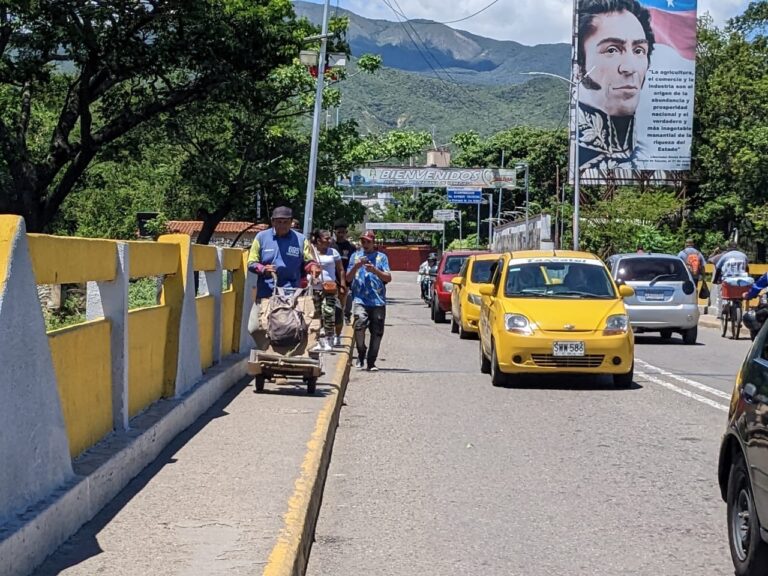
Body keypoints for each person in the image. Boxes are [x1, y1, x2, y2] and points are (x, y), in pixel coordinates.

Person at [576, 0, 655, 172]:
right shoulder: (579, 161)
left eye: (639, 50)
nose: (629, 68)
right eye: (612, 50)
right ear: (580, 65)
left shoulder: (659, 162)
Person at [246, 206, 320, 348]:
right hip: (267, 292)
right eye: (278, 221)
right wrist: (263, 269)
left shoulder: (300, 240)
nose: (282, 225)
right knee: (254, 328)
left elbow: (308, 260)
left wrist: (313, 267)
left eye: (285, 222)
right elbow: (251, 262)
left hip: (293, 294)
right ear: (273, 222)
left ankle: (293, 354)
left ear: (291, 222)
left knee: (300, 327)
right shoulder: (261, 238)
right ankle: (268, 349)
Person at [346, 231, 392, 371]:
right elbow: (348, 278)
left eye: (368, 242)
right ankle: (361, 352)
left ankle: (371, 362)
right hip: (360, 299)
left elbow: (388, 278)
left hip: (377, 301)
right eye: (363, 242)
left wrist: (375, 271)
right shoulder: (355, 257)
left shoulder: (381, 257)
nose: (365, 244)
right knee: (359, 324)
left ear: (373, 243)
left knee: (377, 333)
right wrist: (356, 266)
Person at [309, 229, 346, 351]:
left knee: (329, 312)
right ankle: (319, 340)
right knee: (317, 314)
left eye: (330, 238)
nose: (329, 241)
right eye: (326, 239)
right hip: (314, 288)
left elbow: (340, 269)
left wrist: (342, 285)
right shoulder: (311, 251)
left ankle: (330, 338)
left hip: (330, 288)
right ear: (318, 240)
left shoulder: (333, 252)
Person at [331, 219, 356, 324]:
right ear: (335, 232)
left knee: (348, 296)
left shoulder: (351, 247)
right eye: (339, 232)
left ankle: (346, 315)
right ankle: (334, 318)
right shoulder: (331, 246)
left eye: (344, 232)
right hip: (333, 278)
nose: (341, 234)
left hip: (347, 278)